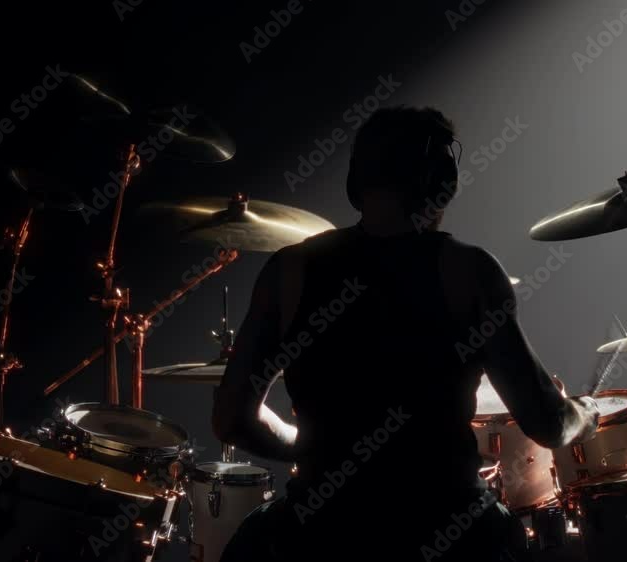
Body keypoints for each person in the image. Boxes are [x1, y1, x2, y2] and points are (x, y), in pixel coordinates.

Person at [212, 106, 599, 561]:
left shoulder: (289, 270)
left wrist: (321, 452)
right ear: (444, 180)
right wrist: (586, 412)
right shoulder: (468, 272)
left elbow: (233, 420)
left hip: (322, 534)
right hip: (448, 531)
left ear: (356, 181)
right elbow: (549, 424)